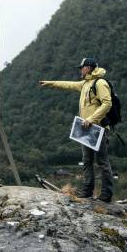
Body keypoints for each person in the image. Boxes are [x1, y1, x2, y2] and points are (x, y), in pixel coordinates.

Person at [39, 57, 114, 202]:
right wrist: (50, 83)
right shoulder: (86, 84)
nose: (80, 70)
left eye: (82, 67)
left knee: (102, 162)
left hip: (98, 129)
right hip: (87, 129)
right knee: (87, 161)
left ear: (88, 68)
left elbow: (107, 103)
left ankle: (106, 194)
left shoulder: (100, 83)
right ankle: (87, 191)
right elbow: (69, 85)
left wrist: (91, 119)